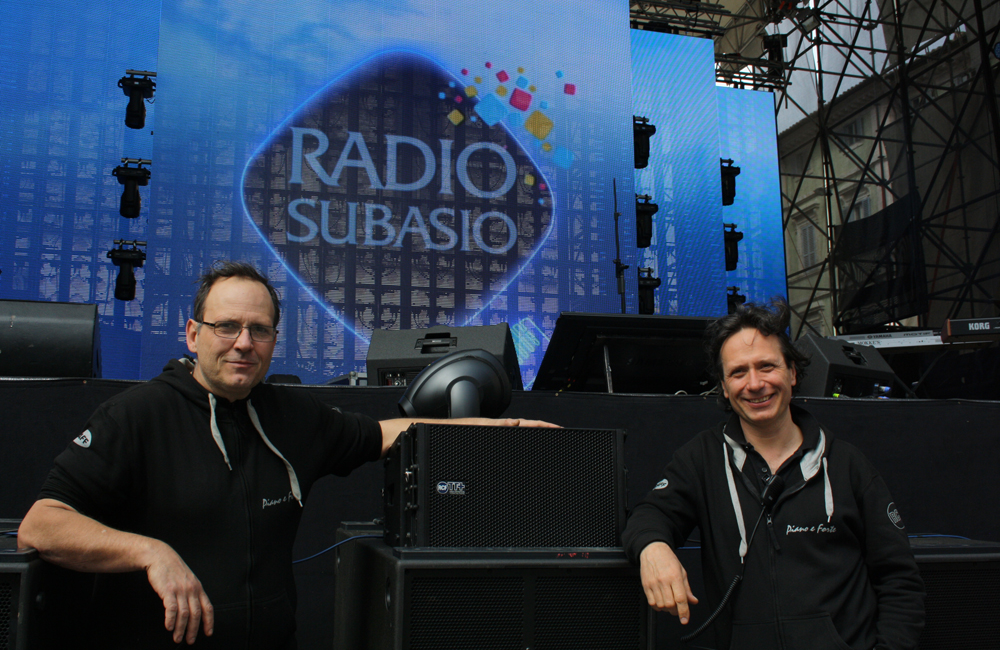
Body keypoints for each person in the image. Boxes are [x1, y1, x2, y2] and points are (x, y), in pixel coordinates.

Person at [18, 261, 557, 649]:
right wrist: (150, 553)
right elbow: (42, 526)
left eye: (259, 330)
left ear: (274, 340)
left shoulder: (292, 416)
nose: (243, 343)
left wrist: (498, 428)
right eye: (226, 326)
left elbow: (386, 433)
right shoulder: (135, 416)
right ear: (193, 334)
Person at [622, 301, 925, 650]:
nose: (755, 384)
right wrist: (654, 548)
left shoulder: (847, 465)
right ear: (724, 387)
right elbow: (650, 514)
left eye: (767, 366)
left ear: (792, 373)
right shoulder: (701, 459)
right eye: (738, 372)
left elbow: (899, 580)